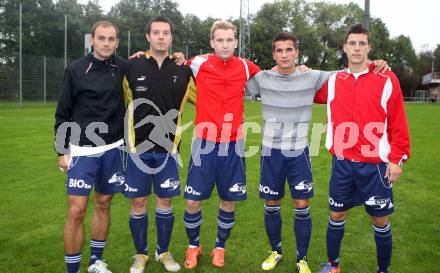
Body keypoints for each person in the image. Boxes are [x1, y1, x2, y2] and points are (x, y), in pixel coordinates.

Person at [314, 24, 410, 273]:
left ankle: (382, 270)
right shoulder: (334, 80)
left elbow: (398, 121)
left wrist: (397, 159)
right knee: (336, 215)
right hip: (342, 163)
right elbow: (303, 87)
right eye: (352, 43)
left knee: (380, 219)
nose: (357, 48)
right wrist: (295, 68)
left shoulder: (386, 78)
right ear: (344, 48)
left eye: (362, 43)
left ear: (369, 47)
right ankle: (333, 266)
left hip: (376, 166)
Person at [182, 20, 261, 269]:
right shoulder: (198, 63)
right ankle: (193, 246)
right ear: (212, 42)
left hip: (233, 144)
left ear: (236, 42)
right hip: (203, 143)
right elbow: (166, 66)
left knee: (228, 200)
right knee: (193, 201)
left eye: (229, 40)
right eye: (220, 40)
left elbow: (278, 76)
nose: (225, 45)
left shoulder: (247, 67)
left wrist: (299, 70)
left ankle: (219, 247)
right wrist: (144, 55)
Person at [123, 16, 196, 273]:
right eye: (156, 32)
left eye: (166, 33)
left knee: (165, 202)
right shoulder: (130, 67)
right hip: (136, 149)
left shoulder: (184, 71)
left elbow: (207, 96)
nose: (161, 37)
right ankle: (140, 255)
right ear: (148, 36)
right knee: (139, 202)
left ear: (171, 37)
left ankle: (163, 252)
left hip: (168, 149)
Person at [54, 21, 126, 273]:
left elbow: (147, 66)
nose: (107, 43)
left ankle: (96, 261)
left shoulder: (122, 67)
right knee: (76, 209)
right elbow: (63, 112)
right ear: (92, 40)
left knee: (104, 203)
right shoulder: (75, 70)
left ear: (117, 42)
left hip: (114, 147)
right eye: (102, 38)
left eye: (111, 39)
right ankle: (72, 269)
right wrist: (62, 151)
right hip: (82, 150)